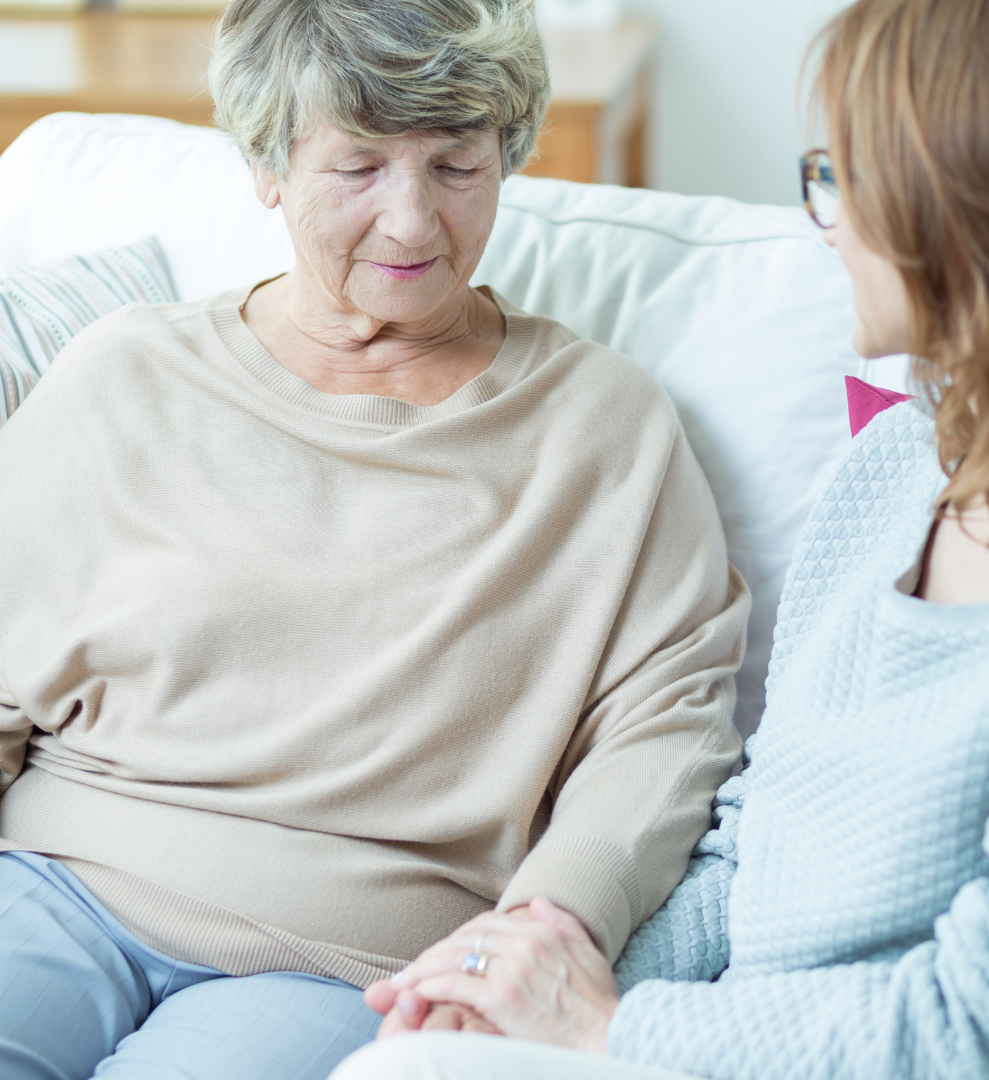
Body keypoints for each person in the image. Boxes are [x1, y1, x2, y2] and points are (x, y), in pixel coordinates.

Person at [0, 1, 751, 1077]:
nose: (411, 223)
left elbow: (666, 725)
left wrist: (552, 923)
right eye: (358, 168)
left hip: (344, 962)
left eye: (456, 166)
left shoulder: (604, 427)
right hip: (53, 877)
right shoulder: (126, 373)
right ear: (268, 165)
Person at [346, 0, 989, 1076]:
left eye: (840, 175)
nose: (824, 221)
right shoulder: (895, 466)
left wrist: (609, 1029)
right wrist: (542, 976)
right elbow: (756, 837)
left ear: (968, 205)